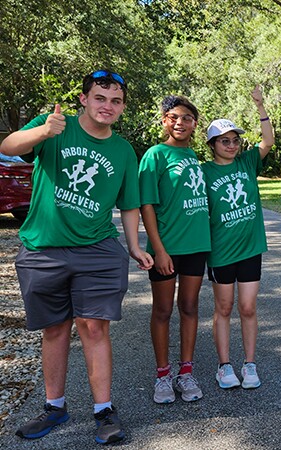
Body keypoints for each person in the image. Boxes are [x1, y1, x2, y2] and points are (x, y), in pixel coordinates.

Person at [1, 69, 153, 444]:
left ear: (122, 108)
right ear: (84, 99)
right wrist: (41, 132)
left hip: (96, 249)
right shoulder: (55, 125)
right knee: (54, 329)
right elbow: (8, 147)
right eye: (100, 98)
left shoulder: (122, 151)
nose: (108, 106)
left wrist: (134, 246)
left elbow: (130, 204)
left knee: (93, 327)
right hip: (43, 249)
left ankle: (104, 410)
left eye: (116, 101)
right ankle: (55, 407)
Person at [139, 95, 211, 404]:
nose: (179, 122)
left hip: (196, 246)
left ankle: (186, 371)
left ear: (195, 124)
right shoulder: (155, 155)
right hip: (166, 248)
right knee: (163, 310)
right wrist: (159, 250)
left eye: (186, 118)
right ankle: (163, 375)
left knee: (190, 308)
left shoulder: (195, 156)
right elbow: (146, 205)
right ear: (165, 121)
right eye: (173, 117)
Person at [202, 85, 274, 390]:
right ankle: (224, 365)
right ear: (212, 144)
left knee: (247, 307)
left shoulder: (246, 162)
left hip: (249, 249)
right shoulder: (203, 172)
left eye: (235, 140)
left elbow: (268, 140)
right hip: (220, 251)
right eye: (225, 141)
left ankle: (249, 363)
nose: (231, 145)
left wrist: (260, 106)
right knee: (224, 308)